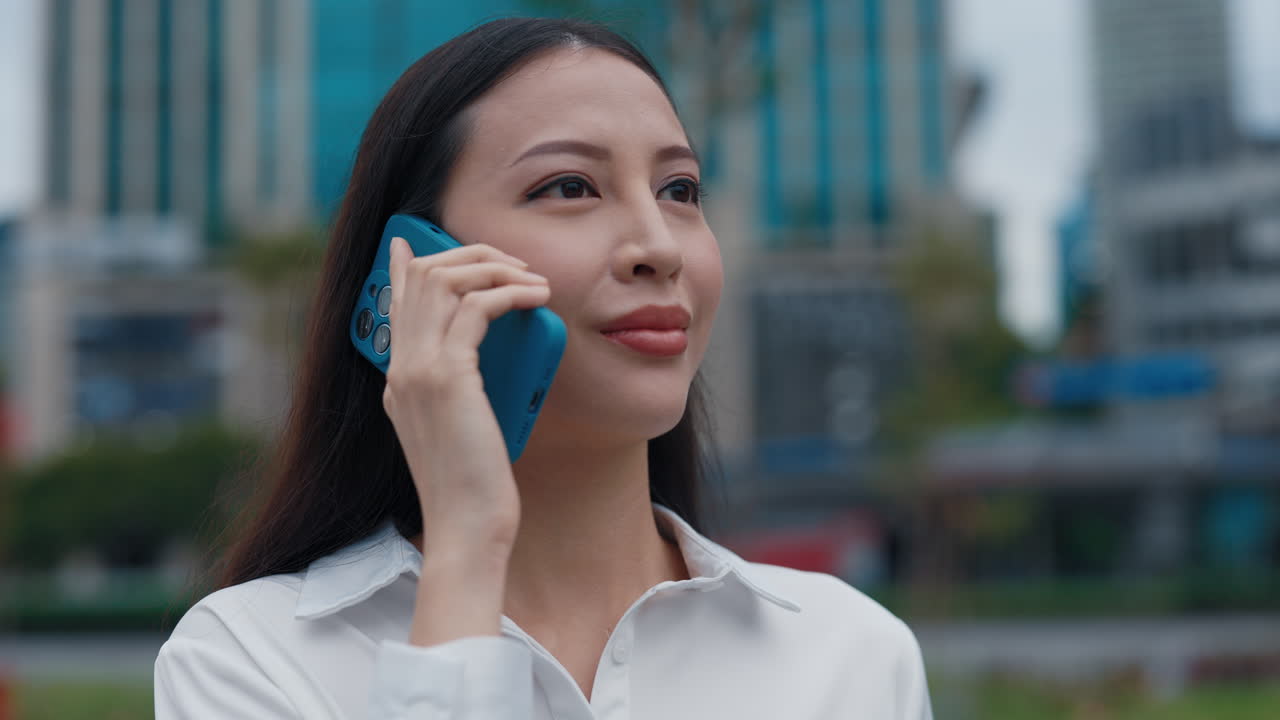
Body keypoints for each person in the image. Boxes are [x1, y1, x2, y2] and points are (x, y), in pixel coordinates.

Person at [154, 16, 933, 719]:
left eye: (680, 189)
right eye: (570, 186)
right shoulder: (249, 659)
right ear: (416, 273)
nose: (658, 246)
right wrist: (466, 543)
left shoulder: (852, 656)